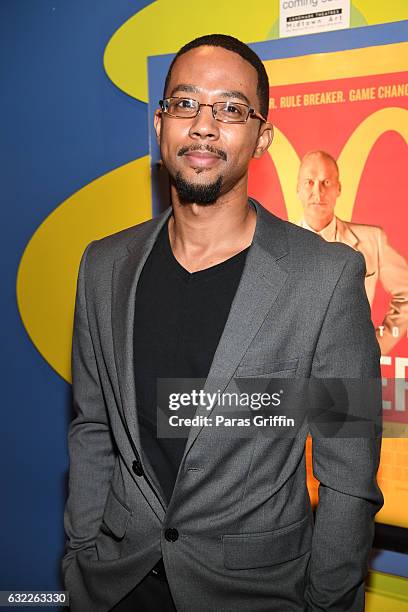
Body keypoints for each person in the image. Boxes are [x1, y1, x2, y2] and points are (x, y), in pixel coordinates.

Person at [63, 35, 383, 612]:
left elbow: (348, 468)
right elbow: (93, 427)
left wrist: (329, 602)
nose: (205, 126)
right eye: (186, 104)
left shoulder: (328, 278)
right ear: (159, 126)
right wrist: (82, 552)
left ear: (261, 138)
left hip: (253, 594)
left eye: (231, 108)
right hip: (113, 586)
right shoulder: (103, 266)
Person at [297, 150, 408, 355]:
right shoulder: (279, 245)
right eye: (309, 182)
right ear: (297, 190)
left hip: (352, 371)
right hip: (297, 376)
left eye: (326, 182)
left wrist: (377, 346)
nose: (318, 192)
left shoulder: (372, 240)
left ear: (339, 188)